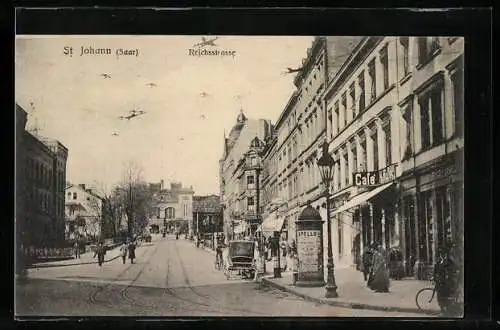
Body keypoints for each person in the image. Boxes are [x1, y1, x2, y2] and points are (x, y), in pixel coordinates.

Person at [433, 243, 460, 316]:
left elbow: (452, 272)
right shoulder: (438, 262)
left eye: (443, 254)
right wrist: (434, 277)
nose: (441, 255)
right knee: (439, 297)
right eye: (440, 254)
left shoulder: (449, 262)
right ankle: (443, 310)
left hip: (446, 283)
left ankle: (445, 312)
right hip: (439, 283)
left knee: (444, 297)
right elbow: (435, 271)